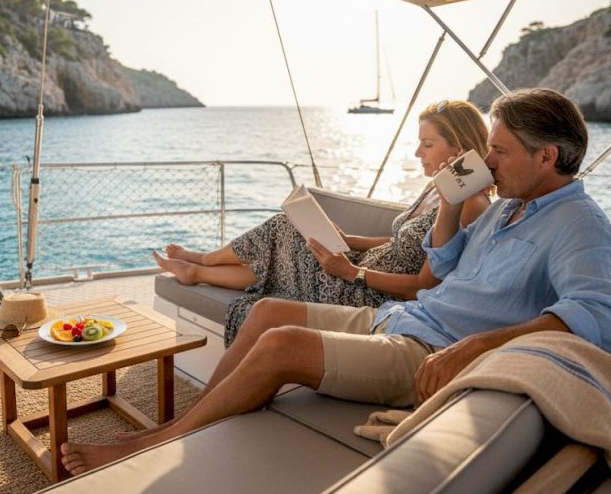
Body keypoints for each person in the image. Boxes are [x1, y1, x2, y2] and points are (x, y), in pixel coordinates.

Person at [61, 88, 611, 475]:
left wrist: (477, 346)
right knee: (266, 313)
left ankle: (152, 444)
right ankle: (183, 425)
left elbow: (605, 314)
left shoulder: (578, 224)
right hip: (404, 318)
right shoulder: (509, 207)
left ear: (548, 157)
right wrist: (449, 199)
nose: (487, 162)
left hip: (429, 348)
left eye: (499, 152)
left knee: (281, 345)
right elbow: (443, 264)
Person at [154, 99, 492, 346]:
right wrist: (349, 240)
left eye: (428, 144)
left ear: (458, 147)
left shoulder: (468, 203)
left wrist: (351, 272)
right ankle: (196, 269)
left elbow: (425, 283)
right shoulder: (437, 188)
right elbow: (400, 242)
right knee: (291, 233)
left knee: (285, 233)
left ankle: (200, 261)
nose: (419, 153)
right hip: (357, 269)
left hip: (365, 292)